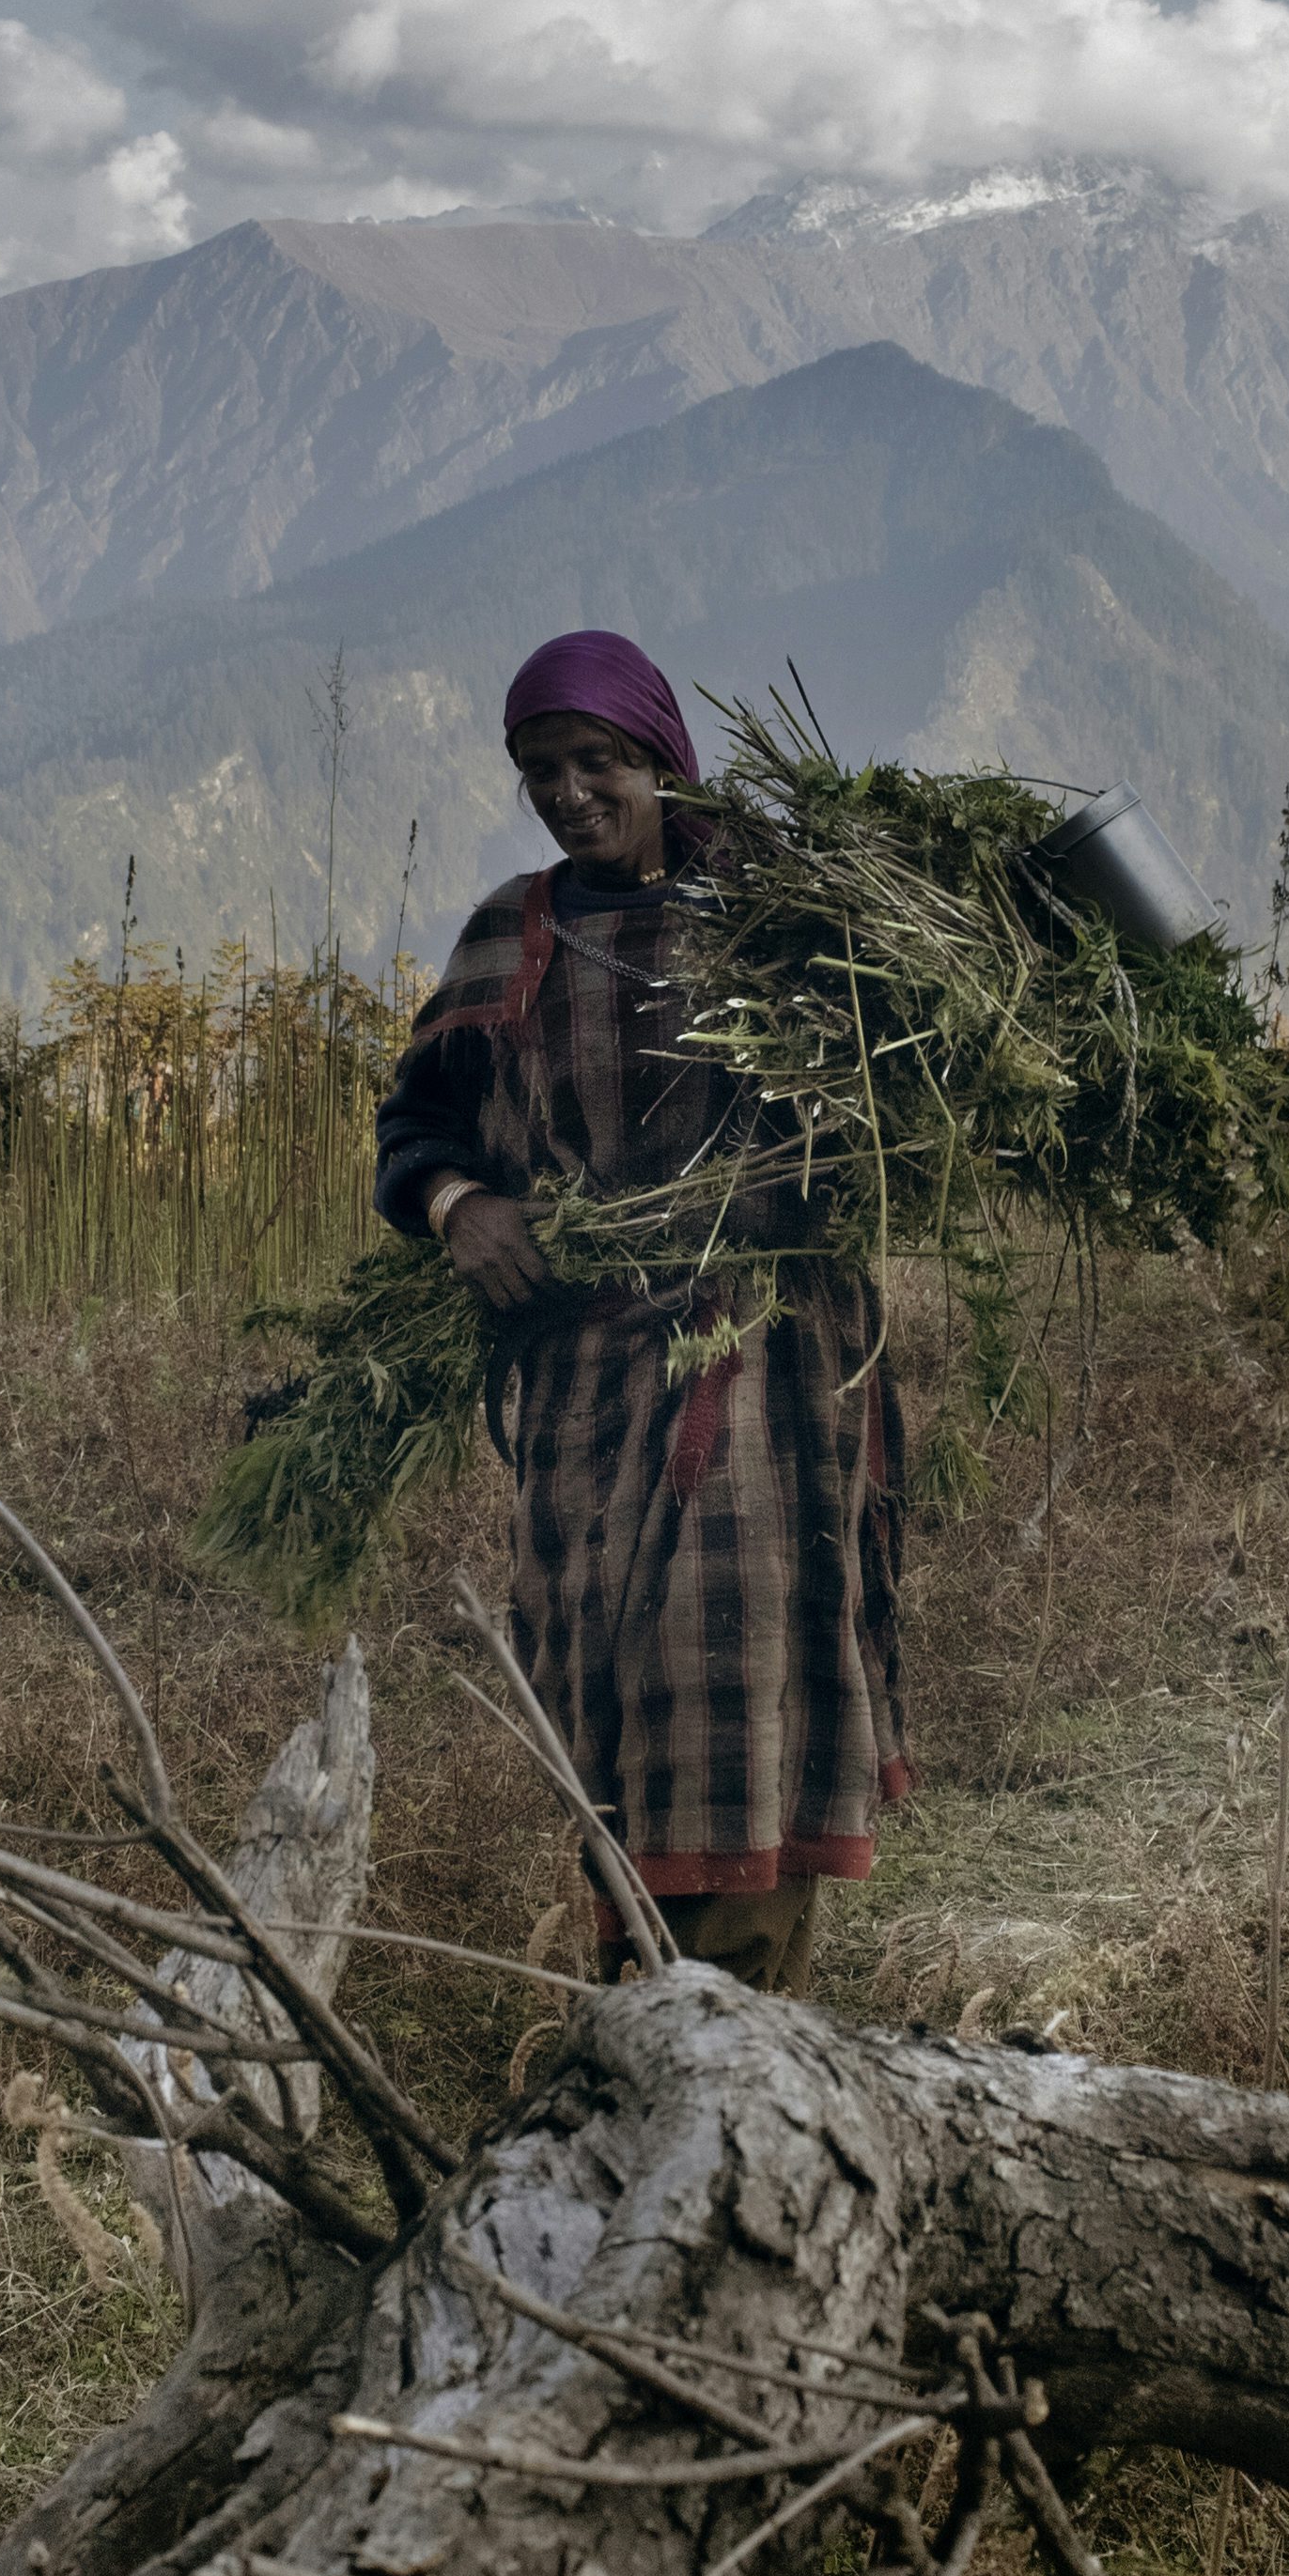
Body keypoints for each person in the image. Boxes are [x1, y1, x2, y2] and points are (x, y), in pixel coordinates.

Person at [375, 630, 910, 1991]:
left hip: (761, 1370)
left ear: (662, 757)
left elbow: (894, 1098)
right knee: (610, 1693)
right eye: (538, 769)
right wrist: (454, 1205)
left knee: (731, 1676)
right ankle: (649, 2001)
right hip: (588, 1392)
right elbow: (415, 1123)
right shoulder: (514, 932)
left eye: (594, 760)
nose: (565, 791)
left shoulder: (792, 915)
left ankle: (727, 2020)